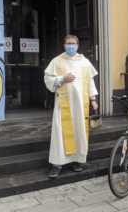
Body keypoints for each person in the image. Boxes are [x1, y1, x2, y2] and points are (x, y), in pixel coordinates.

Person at [44, 35, 99, 178]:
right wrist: (62, 79)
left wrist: (93, 98)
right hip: (64, 106)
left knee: (78, 131)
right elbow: (47, 78)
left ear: (78, 45)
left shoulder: (84, 62)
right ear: (64, 45)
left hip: (81, 105)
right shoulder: (57, 61)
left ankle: (76, 161)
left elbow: (90, 81)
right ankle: (57, 164)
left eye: (74, 43)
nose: (71, 45)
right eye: (69, 43)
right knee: (60, 132)